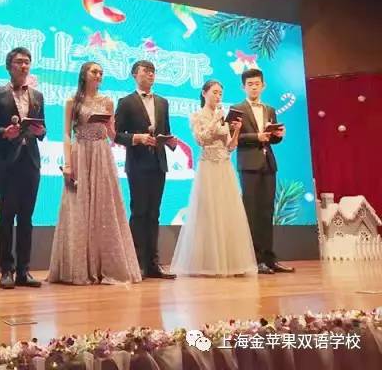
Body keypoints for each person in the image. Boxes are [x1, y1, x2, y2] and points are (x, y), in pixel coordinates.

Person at [48, 62, 141, 285]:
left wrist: (133, 137)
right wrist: (68, 164)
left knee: (104, 208)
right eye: (94, 71)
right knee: (79, 207)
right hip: (81, 152)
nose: (98, 75)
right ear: (84, 74)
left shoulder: (107, 101)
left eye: (101, 72)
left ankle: (103, 265)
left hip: (102, 154)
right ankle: (80, 267)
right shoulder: (72, 101)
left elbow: (112, 134)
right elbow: (66, 134)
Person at [169, 80, 257, 277]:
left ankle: (230, 262)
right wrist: (216, 120)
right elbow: (201, 139)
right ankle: (208, 263)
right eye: (215, 92)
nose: (218, 96)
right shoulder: (196, 116)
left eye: (220, 93)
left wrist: (236, 130)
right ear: (204, 93)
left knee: (227, 212)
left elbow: (230, 146)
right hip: (208, 167)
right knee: (207, 212)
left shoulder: (224, 117)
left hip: (224, 166)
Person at [0, 47, 46, 289]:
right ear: (9, 66)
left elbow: (42, 128)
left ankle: (24, 271)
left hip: (31, 161)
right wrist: (3, 132)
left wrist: (41, 131)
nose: (24, 66)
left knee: (26, 218)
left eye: (27, 62)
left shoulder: (38, 96)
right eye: (19, 62)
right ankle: (6, 270)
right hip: (7, 162)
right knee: (7, 216)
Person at [114, 60, 177, 279]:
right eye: (146, 71)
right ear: (134, 75)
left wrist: (170, 141)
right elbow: (116, 134)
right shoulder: (126, 102)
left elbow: (165, 130)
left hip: (158, 163)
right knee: (139, 212)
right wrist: (137, 138)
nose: (150, 74)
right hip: (138, 163)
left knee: (154, 214)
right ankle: (137, 263)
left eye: (153, 71)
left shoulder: (162, 102)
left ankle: (153, 263)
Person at [231, 69, 293, 274]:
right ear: (243, 87)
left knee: (267, 212)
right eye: (250, 84)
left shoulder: (270, 109)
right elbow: (233, 138)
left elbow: (271, 139)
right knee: (252, 212)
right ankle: (255, 260)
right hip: (249, 164)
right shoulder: (236, 109)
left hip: (268, 164)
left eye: (257, 84)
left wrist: (278, 136)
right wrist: (256, 137)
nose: (254, 87)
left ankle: (269, 258)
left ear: (263, 86)